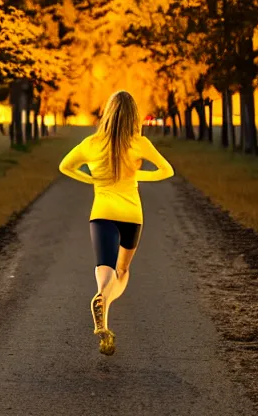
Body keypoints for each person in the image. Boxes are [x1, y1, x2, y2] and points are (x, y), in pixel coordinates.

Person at [58, 91, 174, 355]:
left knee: (104, 266)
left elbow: (65, 166)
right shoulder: (139, 143)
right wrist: (134, 174)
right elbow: (167, 171)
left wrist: (91, 180)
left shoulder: (91, 143)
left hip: (101, 212)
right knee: (122, 272)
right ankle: (105, 300)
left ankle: (102, 299)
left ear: (107, 113)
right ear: (134, 116)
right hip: (131, 215)